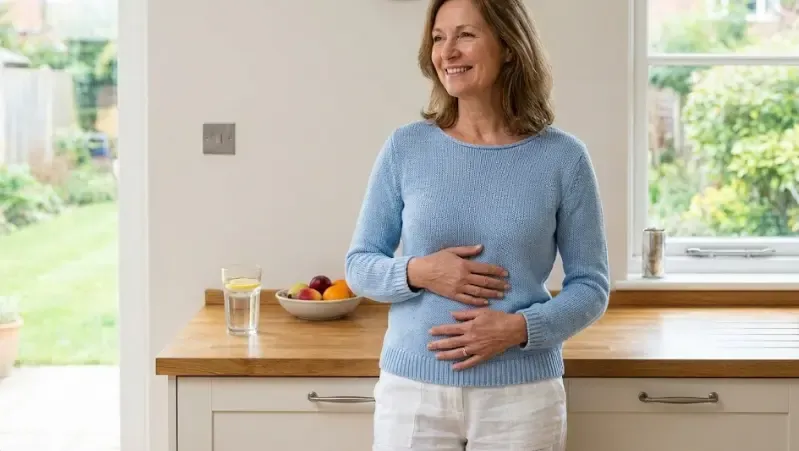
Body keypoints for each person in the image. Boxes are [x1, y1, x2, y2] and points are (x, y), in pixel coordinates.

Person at [344, 0, 610, 449]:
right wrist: (420, 271)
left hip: (521, 397)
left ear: (508, 45)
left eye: (465, 35)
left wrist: (519, 329)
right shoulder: (406, 148)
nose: (447, 51)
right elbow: (358, 264)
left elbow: (591, 286)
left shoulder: (563, 158)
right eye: (438, 38)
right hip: (413, 391)